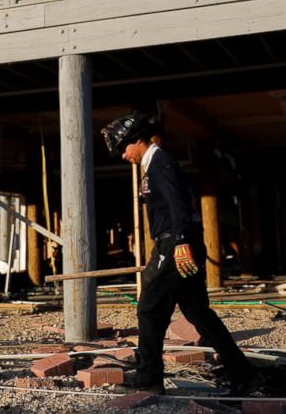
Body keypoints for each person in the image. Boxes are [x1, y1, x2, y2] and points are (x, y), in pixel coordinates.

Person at [102, 112, 263, 396]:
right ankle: (244, 375)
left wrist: (180, 243)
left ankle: (149, 378)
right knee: (199, 314)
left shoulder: (161, 163)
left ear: (136, 140)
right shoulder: (154, 167)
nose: (123, 156)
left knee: (149, 310)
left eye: (123, 149)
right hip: (177, 243)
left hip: (173, 246)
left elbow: (180, 206)